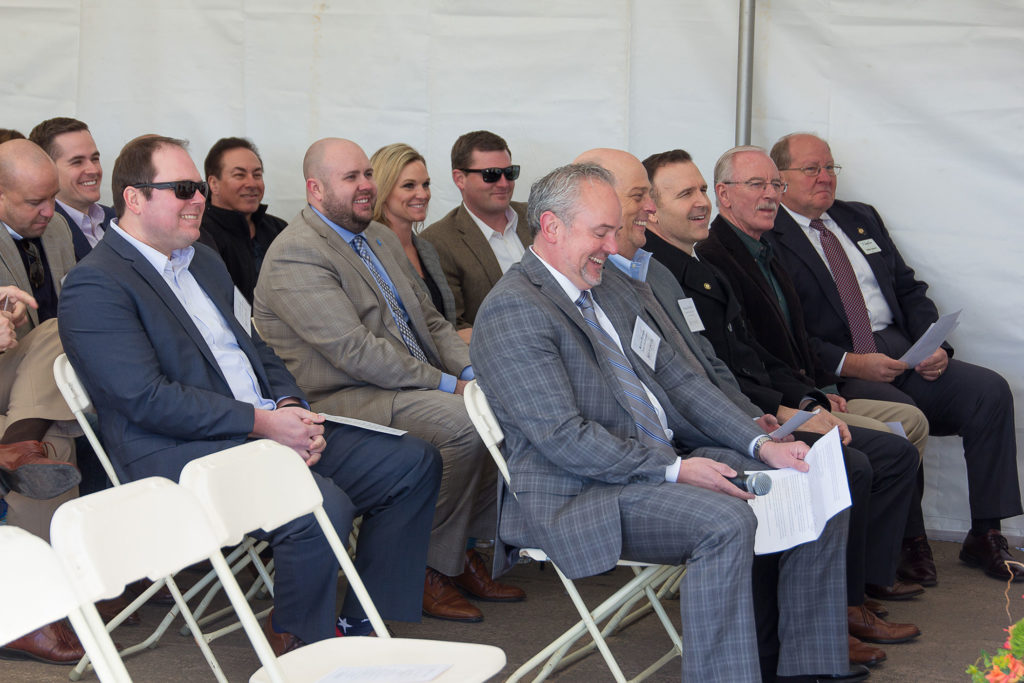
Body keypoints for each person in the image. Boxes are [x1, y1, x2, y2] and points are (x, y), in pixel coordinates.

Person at [471, 162, 860, 683]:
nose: (613, 246)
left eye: (615, 230)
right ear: (551, 226)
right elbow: (564, 440)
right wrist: (675, 471)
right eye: (601, 232)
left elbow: (681, 382)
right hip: (579, 493)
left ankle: (807, 671)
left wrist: (762, 442)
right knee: (724, 523)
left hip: (652, 460)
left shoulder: (607, 287)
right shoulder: (514, 310)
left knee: (812, 480)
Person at [57, 134, 442, 652]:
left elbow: (258, 351)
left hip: (262, 431)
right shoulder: (96, 284)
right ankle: (298, 645)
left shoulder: (204, 262)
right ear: (134, 198)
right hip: (177, 454)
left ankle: (360, 627)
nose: (199, 198)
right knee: (319, 505)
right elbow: (145, 399)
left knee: (412, 462)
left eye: (198, 187)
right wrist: (261, 424)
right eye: (184, 188)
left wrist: (289, 407)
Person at [589, 147, 919, 668]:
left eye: (695, 191)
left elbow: (703, 372)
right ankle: (790, 645)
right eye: (648, 197)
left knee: (819, 463)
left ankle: (812, 646)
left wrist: (761, 424)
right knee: (800, 476)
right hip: (652, 457)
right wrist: (757, 429)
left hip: (721, 419)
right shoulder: (594, 285)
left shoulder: (653, 273)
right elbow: (643, 400)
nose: (656, 209)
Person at [254, 137, 524, 624]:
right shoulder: (296, 254)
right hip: (339, 398)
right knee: (466, 422)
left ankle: (459, 552)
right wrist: (449, 386)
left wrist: (472, 372)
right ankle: (426, 566)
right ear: (315, 189)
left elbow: (431, 321)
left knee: (496, 405)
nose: (365, 186)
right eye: (350, 178)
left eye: (366, 174)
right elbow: (355, 352)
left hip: (399, 384)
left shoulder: (376, 236)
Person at [767, 133, 1022, 583]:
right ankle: (909, 541)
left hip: (903, 350)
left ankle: (985, 533)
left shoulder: (859, 218)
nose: (825, 178)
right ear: (780, 180)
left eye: (830, 168)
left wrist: (935, 344)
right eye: (812, 170)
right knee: (904, 416)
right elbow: (786, 329)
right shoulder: (771, 235)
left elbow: (908, 287)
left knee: (989, 391)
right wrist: (848, 364)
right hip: (839, 368)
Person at [0, 139, 90, 664]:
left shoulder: (57, 228)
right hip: (15, 370)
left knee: (52, 441)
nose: (50, 211)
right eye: (35, 201)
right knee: (59, 332)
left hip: (30, 383)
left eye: (51, 198)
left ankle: (28, 608)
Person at [420, 130, 530, 327]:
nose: (504, 183)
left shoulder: (538, 217)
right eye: (491, 175)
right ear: (459, 178)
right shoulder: (438, 242)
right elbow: (454, 325)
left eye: (510, 173)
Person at [369, 143, 470, 342]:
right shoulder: (370, 252)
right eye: (409, 185)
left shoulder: (426, 248)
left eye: (425, 184)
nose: (423, 194)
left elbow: (443, 321)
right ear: (383, 189)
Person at [198, 137, 286, 304]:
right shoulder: (199, 234)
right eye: (239, 175)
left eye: (257, 174)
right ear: (213, 184)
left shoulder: (279, 229)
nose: (251, 183)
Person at [29, 118, 115, 261]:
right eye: (77, 162)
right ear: (46, 169)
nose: (93, 169)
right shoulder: (40, 231)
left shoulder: (115, 218)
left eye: (94, 159)